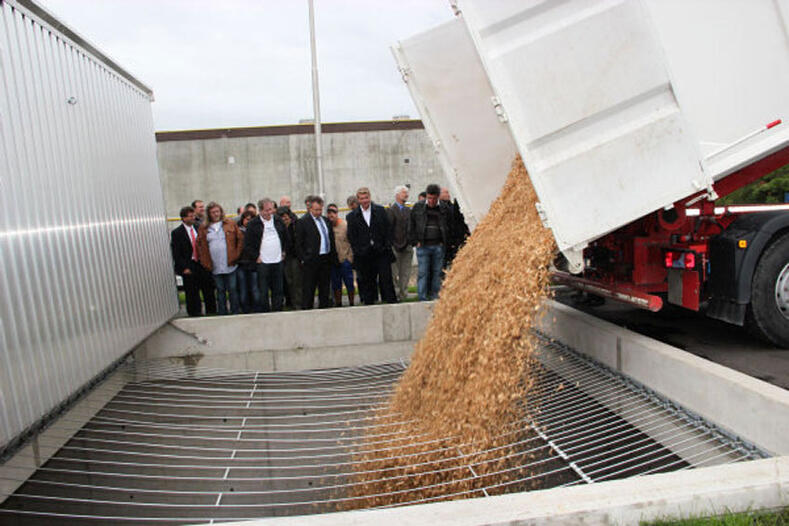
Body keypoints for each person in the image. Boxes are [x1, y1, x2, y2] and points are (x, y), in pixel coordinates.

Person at [346, 187, 397, 305]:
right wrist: (359, 250)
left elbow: (388, 230)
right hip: (364, 255)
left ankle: (391, 303)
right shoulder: (352, 216)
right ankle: (369, 304)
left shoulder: (380, 211)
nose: (365, 201)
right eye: (362, 198)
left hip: (381, 252)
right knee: (367, 281)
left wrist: (386, 246)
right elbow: (352, 236)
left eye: (366, 198)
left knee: (386, 280)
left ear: (370, 197)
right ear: (358, 200)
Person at [197, 202, 243, 315]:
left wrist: (236, 255)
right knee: (220, 290)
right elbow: (200, 246)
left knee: (232, 289)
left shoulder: (230, 224)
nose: (216, 214)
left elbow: (240, 240)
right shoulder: (204, 228)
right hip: (215, 265)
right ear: (209, 214)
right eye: (213, 212)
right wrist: (205, 261)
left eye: (217, 211)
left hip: (230, 263)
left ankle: (235, 311)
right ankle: (222, 311)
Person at [242, 198, 288, 312]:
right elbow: (247, 244)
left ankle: (277, 309)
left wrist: (284, 252)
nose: (269, 212)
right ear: (261, 211)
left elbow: (286, 238)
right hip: (263, 263)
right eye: (267, 210)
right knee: (263, 290)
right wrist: (256, 257)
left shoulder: (278, 221)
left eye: (271, 209)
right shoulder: (253, 224)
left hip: (277, 261)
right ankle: (265, 311)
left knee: (278, 289)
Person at [171, 205, 216, 316]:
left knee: (208, 289)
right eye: (190, 216)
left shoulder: (199, 228)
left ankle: (211, 311)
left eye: (193, 216)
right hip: (189, 263)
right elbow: (177, 252)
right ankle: (194, 312)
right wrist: (184, 267)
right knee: (192, 291)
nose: (193, 218)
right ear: (184, 218)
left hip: (202, 263)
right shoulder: (177, 233)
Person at [408, 184, 451, 301]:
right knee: (423, 272)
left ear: (438, 197)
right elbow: (411, 225)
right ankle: (422, 297)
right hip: (423, 245)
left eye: (434, 198)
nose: (431, 201)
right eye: (429, 198)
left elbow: (449, 225)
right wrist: (415, 241)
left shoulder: (444, 208)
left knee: (437, 272)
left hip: (438, 245)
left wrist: (444, 242)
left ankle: (435, 296)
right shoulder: (418, 207)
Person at [295, 196, 337, 309]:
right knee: (309, 289)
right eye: (316, 210)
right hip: (311, 261)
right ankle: (307, 310)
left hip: (325, 259)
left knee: (324, 288)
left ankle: (324, 308)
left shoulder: (326, 221)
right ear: (310, 209)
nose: (318, 212)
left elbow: (331, 239)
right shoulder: (303, 222)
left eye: (320, 209)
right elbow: (298, 243)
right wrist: (304, 259)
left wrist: (333, 257)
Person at [326, 203, 355, 307]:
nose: (331, 216)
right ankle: (338, 303)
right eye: (329, 213)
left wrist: (350, 258)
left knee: (349, 283)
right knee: (336, 284)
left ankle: (351, 302)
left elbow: (351, 241)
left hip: (345, 259)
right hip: (333, 261)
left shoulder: (345, 225)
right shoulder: (326, 226)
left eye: (333, 213)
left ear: (337, 213)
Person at [387, 185, 413, 301]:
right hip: (395, 246)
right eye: (404, 193)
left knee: (406, 272)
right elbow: (389, 229)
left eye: (407, 193)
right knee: (394, 273)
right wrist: (392, 244)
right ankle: (396, 294)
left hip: (407, 246)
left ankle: (404, 294)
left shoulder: (408, 210)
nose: (406, 195)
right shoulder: (391, 210)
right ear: (397, 195)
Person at [236, 210, 261, 313]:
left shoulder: (256, 230)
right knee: (243, 289)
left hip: (254, 263)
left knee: (255, 288)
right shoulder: (238, 231)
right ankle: (245, 309)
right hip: (241, 263)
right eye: (246, 219)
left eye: (250, 219)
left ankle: (257, 308)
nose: (248, 221)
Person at [277, 205, 301, 309]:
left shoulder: (296, 225)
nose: (285, 219)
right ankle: (291, 302)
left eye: (286, 217)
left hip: (295, 256)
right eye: (282, 217)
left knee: (297, 281)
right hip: (284, 258)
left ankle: (298, 303)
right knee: (288, 281)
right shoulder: (278, 227)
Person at [440, 188, 470, 269]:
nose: (448, 194)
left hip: (456, 239)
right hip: (445, 241)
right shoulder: (440, 208)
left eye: (448, 192)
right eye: (445, 193)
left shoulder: (452, 206)